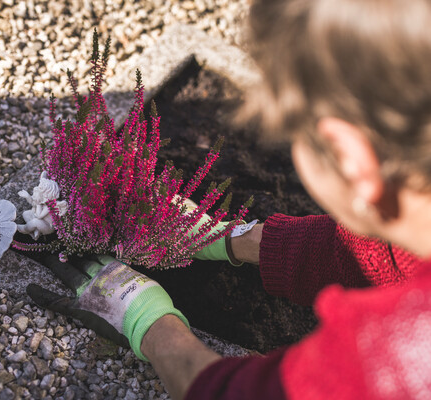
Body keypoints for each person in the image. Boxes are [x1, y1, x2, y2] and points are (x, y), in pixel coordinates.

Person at [27, 0, 431, 398]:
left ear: (350, 159)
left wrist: (150, 324)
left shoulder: (396, 362)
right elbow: (386, 255)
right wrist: (233, 238)